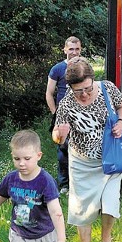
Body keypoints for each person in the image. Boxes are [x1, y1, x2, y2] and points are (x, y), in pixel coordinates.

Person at [52, 57, 122, 242]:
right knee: (81, 208)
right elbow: (56, 136)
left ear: (92, 80)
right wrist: (60, 134)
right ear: (70, 88)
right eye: (78, 91)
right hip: (82, 163)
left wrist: (121, 122)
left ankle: (106, 241)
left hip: (110, 159)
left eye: (87, 88)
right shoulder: (67, 102)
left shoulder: (107, 89)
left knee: (110, 202)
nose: (84, 94)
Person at [45, 36, 82, 194]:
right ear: (65, 50)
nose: (74, 52)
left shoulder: (84, 68)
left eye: (77, 49)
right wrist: (55, 114)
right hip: (63, 118)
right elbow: (49, 93)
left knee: (81, 150)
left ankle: (79, 184)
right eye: (71, 49)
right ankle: (64, 185)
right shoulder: (57, 69)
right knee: (63, 151)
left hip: (81, 116)